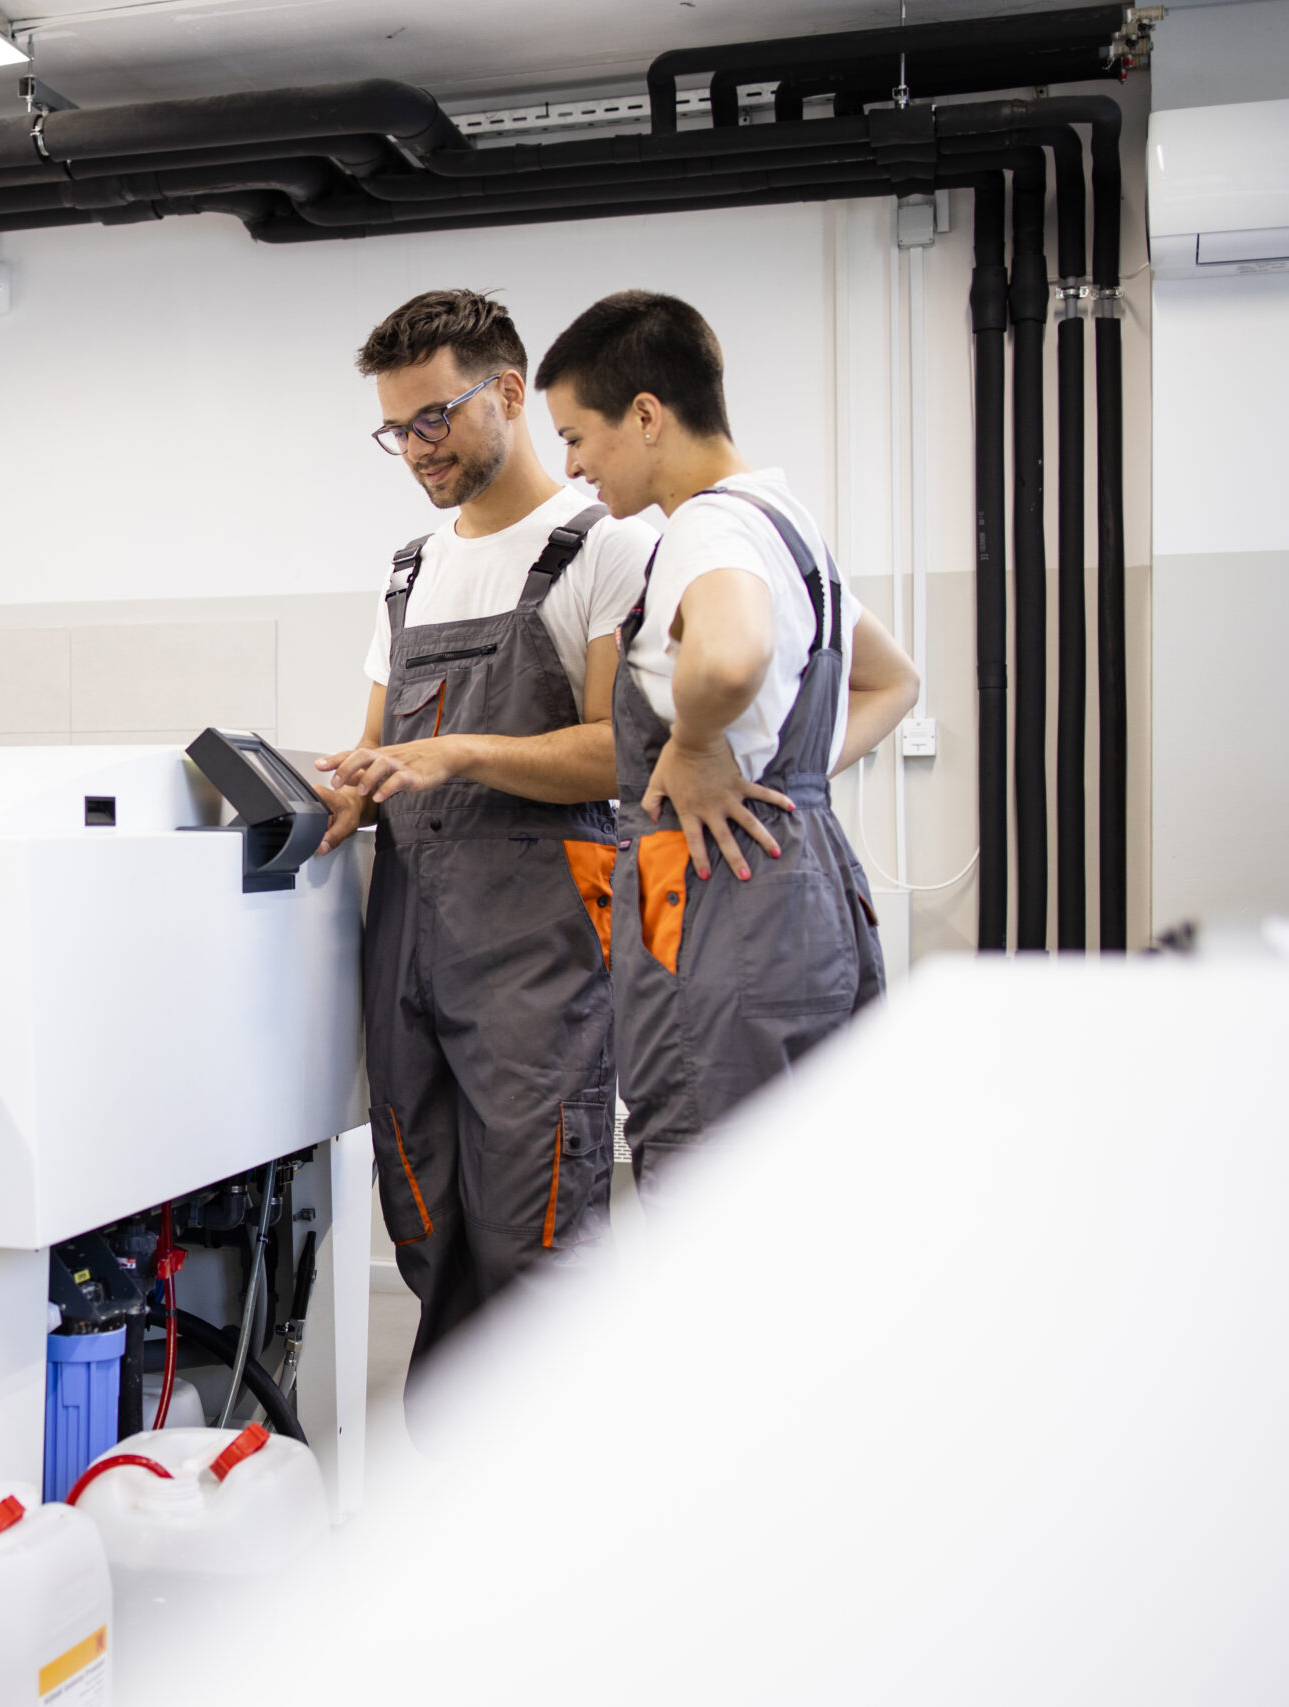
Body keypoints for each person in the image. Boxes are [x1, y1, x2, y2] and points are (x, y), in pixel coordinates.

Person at [312, 290, 656, 1370]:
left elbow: (619, 753)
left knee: (537, 1220)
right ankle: (457, 1483)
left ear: (509, 393)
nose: (415, 448)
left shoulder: (602, 548)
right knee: (424, 1208)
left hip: (538, 946)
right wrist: (316, 791)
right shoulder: (410, 573)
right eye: (396, 428)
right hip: (411, 943)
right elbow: (373, 759)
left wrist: (457, 752)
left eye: (435, 419)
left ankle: (558, 1482)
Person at [533, 290, 919, 1190]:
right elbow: (893, 680)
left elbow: (733, 655)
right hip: (812, 896)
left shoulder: (707, 529)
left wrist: (703, 747)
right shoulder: (787, 524)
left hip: (720, 910)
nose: (574, 464)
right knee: (814, 1198)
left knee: (716, 1211)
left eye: (578, 435)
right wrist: (780, 775)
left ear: (646, 415)